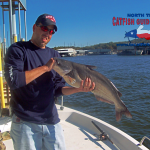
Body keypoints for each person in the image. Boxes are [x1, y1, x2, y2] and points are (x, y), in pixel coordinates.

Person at [4, 13, 95, 150]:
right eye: (45, 28)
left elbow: (57, 90)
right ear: (34, 27)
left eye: (52, 31)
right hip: (25, 121)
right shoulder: (18, 50)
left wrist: (78, 89)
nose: (48, 33)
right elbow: (14, 81)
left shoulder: (55, 55)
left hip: (51, 120)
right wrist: (45, 68)